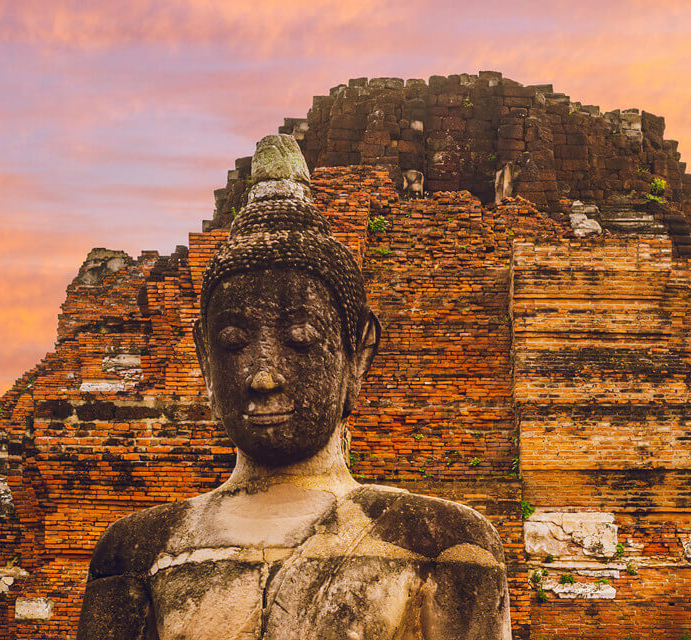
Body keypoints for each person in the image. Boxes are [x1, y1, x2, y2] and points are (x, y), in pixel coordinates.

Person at [77, 135, 511, 640]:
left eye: (301, 339)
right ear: (204, 359)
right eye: (234, 342)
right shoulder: (135, 553)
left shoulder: (445, 545)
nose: (263, 377)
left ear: (358, 354)